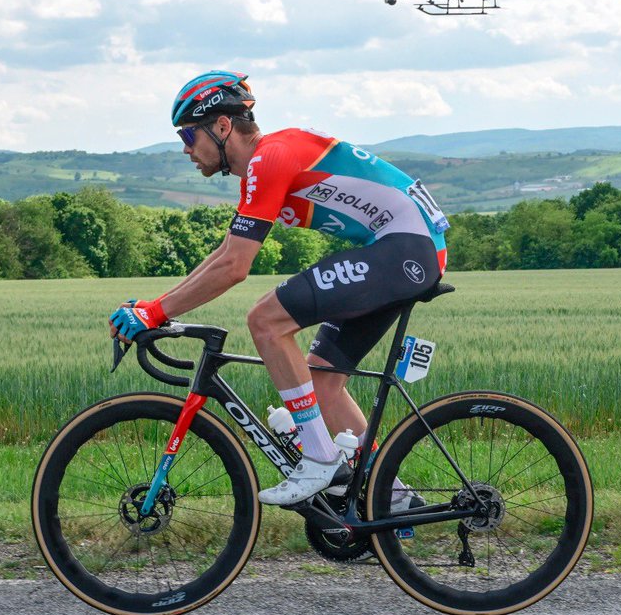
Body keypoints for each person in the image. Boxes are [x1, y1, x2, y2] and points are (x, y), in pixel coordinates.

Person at [109, 70, 449, 507]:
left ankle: (320, 459)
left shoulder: (270, 157)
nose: (186, 148)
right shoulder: (266, 162)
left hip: (406, 248)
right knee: (322, 382)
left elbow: (235, 268)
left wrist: (154, 314)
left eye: (190, 135)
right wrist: (156, 306)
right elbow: (226, 251)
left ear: (223, 126)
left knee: (265, 320)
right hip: (404, 249)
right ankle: (395, 501)